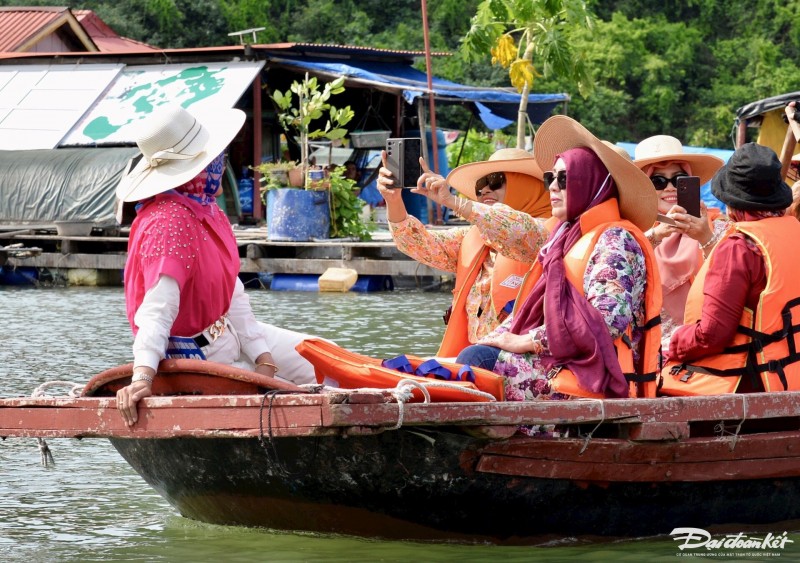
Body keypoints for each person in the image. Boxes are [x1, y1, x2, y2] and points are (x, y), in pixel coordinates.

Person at [114, 105, 319, 426]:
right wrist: (142, 377)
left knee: (323, 357)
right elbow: (157, 309)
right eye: (212, 161)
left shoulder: (206, 210)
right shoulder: (170, 221)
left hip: (225, 331)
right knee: (285, 395)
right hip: (195, 353)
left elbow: (231, 292)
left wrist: (263, 356)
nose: (220, 165)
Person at [456, 115, 662, 403]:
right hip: (562, 362)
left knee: (477, 361)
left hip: (596, 374)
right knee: (468, 358)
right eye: (550, 178)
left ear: (591, 184)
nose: (553, 187)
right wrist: (499, 336)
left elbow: (606, 322)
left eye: (564, 179)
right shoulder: (563, 238)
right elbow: (529, 312)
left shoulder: (616, 239)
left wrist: (527, 341)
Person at [377, 148, 552, 357]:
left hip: (525, 363)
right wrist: (393, 200)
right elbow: (417, 243)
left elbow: (514, 228)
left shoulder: (551, 234)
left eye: (495, 181)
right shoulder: (475, 236)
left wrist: (454, 202)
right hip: (477, 360)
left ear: (526, 185)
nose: (485, 189)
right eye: (480, 185)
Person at [662, 143, 800, 395]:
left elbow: (712, 335)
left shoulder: (739, 247)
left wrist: (672, 342)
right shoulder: (794, 230)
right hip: (791, 379)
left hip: (749, 388)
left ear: (732, 203)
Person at [633, 135, 726, 344]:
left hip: (704, 349)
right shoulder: (630, 230)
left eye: (679, 180)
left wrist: (705, 238)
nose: (670, 188)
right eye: (657, 181)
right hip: (648, 355)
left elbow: (729, 278)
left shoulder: (719, 227)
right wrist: (656, 236)